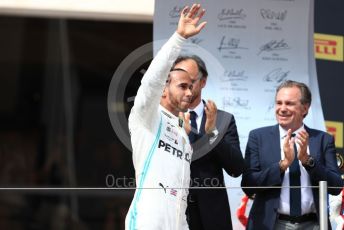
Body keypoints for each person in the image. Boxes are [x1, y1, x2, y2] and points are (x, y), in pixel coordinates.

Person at [125, 4, 207, 230]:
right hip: (147, 221)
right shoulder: (147, 117)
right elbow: (151, 80)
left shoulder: (182, 129)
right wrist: (179, 37)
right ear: (163, 89)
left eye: (192, 87)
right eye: (183, 86)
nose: (190, 93)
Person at [241, 80, 342, 230]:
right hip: (271, 225)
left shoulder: (322, 139)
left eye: (289, 103)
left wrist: (308, 161)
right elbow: (248, 185)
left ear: (305, 108)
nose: (282, 109)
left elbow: (336, 186)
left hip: (313, 224)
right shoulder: (258, 137)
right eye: (279, 103)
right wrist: (282, 165)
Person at [173, 55, 244, 230]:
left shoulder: (223, 119)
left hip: (213, 215)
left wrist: (212, 133)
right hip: (173, 211)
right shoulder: (164, 118)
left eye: (190, 81)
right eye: (180, 82)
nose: (186, 88)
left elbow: (236, 168)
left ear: (203, 81)